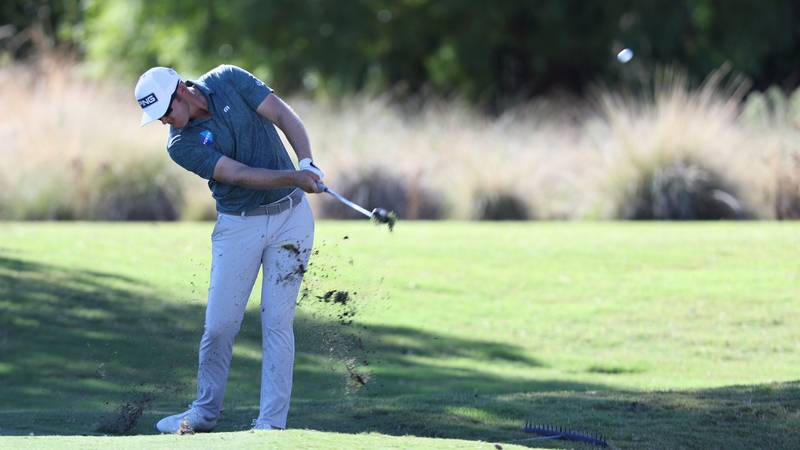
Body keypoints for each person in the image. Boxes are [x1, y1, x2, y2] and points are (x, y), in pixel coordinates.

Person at [135, 65, 324, 433]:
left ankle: (271, 425)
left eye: (166, 111)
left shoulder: (229, 79)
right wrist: (295, 178)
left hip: (292, 218)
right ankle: (204, 414)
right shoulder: (181, 144)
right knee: (219, 326)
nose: (164, 122)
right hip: (239, 225)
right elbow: (236, 174)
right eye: (157, 117)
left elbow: (283, 114)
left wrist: (305, 163)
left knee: (277, 321)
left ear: (180, 90)